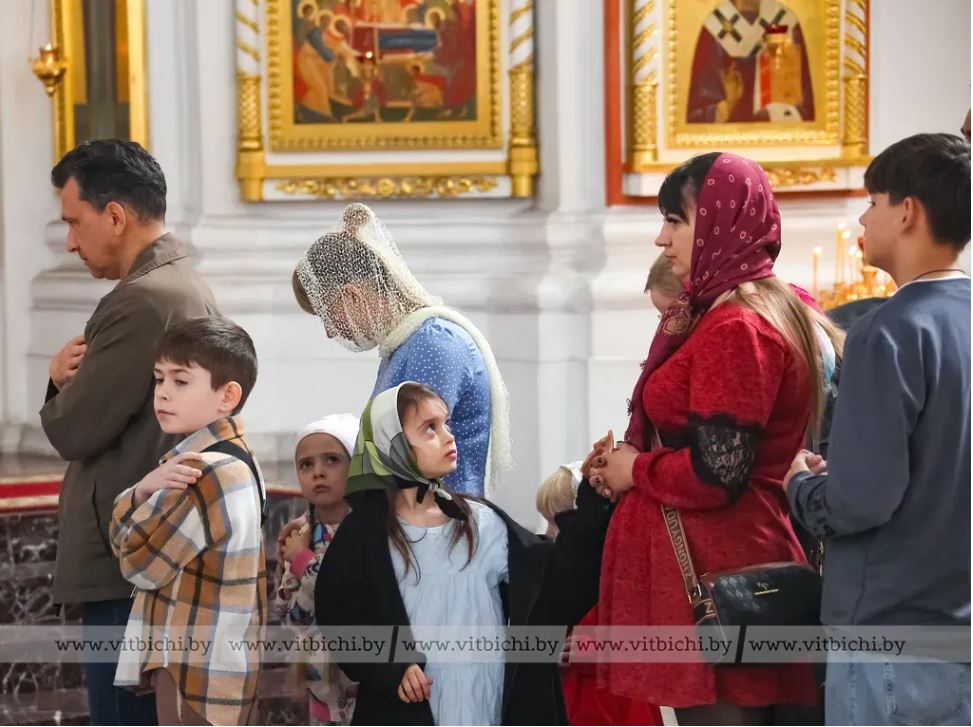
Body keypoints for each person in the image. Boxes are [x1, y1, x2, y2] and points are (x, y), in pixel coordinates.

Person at [587, 152, 844, 724]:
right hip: (712, 562)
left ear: (720, 222)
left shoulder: (737, 326)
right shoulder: (725, 310)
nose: (661, 238)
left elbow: (716, 475)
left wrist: (636, 470)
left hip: (719, 573)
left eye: (674, 220)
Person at [786, 133, 971, 726]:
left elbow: (861, 501)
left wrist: (801, 486)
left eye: (872, 201)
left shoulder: (888, 331)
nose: (864, 218)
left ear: (908, 211)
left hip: (892, 629)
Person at [40, 139, 218, 725]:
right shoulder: (177, 282)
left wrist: (57, 383)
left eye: (74, 222)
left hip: (128, 559)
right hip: (152, 550)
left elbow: (74, 430)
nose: (70, 242)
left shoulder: (141, 300)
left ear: (114, 216)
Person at [315, 382, 613, 725]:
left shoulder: (481, 522)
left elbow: (555, 584)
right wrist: (391, 666)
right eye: (430, 428)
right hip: (408, 712)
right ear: (391, 443)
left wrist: (592, 503)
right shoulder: (364, 534)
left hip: (483, 704)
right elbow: (341, 618)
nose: (448, 437)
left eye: (446, 424)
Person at [292, 202, 510, 498]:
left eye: (326, 315)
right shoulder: (405, 342)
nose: (330, 331)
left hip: (441, 516)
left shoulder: (433, 343)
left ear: (351, 296)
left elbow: (414, 456)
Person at [109, 317, 266, 726]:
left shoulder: (204, 471)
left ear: (228, 395)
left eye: (180, 381)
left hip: (194, 670)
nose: (163, 392)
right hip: (223, 663)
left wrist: (137, 494)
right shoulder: (240, 459)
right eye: (159, 378)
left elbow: (138, 564)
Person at [275, 414, 361, 725]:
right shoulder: (301, 536)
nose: (318, 472)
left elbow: (345, 598)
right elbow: (295, 617)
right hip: (320, 691)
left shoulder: (368, 533)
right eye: (306, 465)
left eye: (332, 460)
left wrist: (303, 563)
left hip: (366, 688)